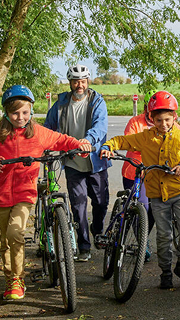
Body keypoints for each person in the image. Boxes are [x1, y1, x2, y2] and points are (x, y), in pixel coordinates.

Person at [0, 85, 92, 300]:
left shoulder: (38, 132)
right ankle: (10, 278)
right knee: (3, 240)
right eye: (15, 113)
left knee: (15, 233)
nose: (20, 117)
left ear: (31, 110)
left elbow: (61, 140)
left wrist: (79, 144)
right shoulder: (1, 132)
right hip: (2, 193)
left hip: (24, 192)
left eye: (25, 112)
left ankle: (18, 279)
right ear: (6, 112)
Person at [100, 91, 180, 289]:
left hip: (178, 192)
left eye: (168, 120)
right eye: (159, 120)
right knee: (163, 236)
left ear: (175, 117)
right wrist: (108, 145)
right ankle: (166, 272)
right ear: (151, 119)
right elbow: (122, 141)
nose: (163, 124)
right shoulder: (146, 137)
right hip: (157, 195)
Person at [44, 64, 110, 262]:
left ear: (88, 81)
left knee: (101, 202)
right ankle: (84, 245)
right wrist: (46, 145)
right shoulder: (61, 104)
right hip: (72, 161)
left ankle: (97, 229)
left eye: (82, 81)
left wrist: (87, 140)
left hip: (95, 161)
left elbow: (100, 126)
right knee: (78, 205)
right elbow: (49, 127)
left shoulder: (97, 101)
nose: (79, 85)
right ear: (70, 82)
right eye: (75, 81)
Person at [122, 90, 157, 261]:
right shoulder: (135, 122)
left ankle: (143, 239)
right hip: (135, 172)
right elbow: (131, 142)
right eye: (152, 109)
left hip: (158, 174)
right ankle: (144, 243)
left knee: (155, 210)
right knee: (142, 207)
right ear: (146, 108)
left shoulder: (169, 123)